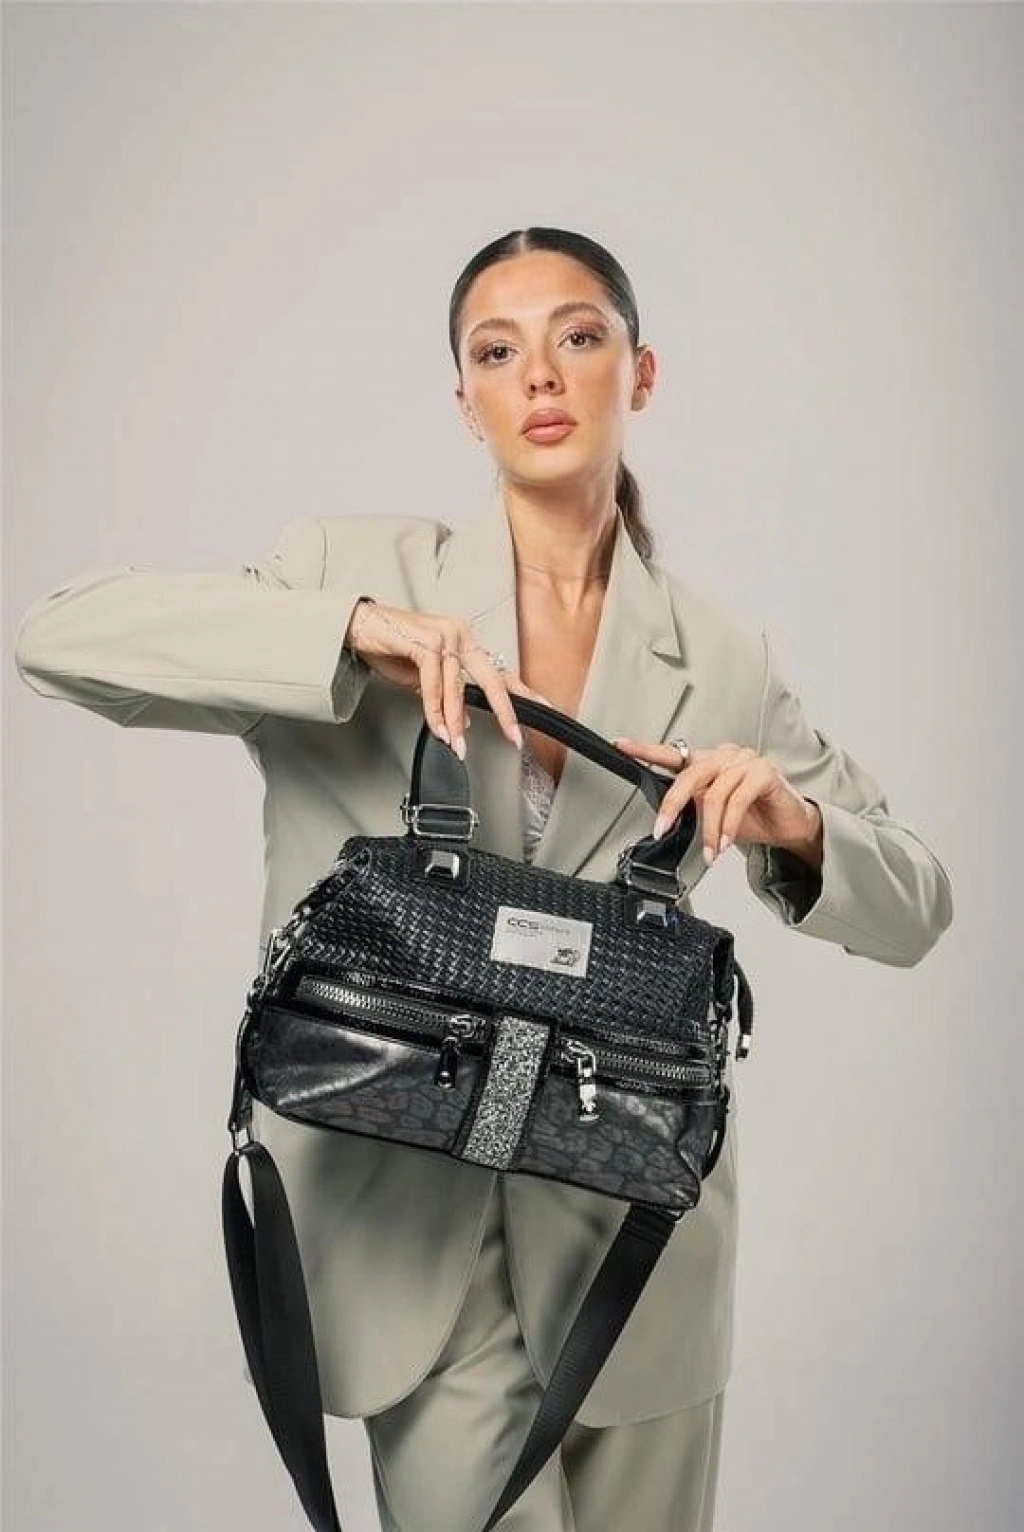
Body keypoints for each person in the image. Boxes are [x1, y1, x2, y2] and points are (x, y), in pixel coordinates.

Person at [14, 225, 954, 1532]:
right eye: (497, 352)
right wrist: (345, 635)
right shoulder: (354, 577)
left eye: (579, 336)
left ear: (642, 371)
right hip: (408, 1245)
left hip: (638, 1252)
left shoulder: (722, 655)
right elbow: (58, 636)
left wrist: (793, 824)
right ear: (465, 400)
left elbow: (918, 906)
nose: (542, 376)